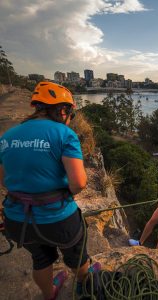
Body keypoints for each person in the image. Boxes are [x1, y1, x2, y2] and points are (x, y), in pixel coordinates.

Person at [0, 82, 94, 300]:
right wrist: (61, 194)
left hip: (17, 219)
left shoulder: (6, 137)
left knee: (40, 259)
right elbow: (79, 183)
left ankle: (49, 293)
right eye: (69, 112)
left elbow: (4, 180)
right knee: (77, 256)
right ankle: (82, 284)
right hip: (57, 219)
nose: (69, 117)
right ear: (62, 110)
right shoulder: (64, 134)